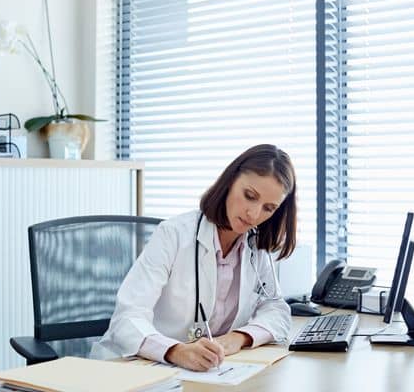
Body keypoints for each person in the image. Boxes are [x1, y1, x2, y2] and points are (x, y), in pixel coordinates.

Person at [91, 144, 297, 371]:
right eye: (249, 196)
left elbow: (276, 309)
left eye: (269, 208)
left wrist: (239, 338)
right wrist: (175, 351)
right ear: (230, 181)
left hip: (205, 373)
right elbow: (126, 319)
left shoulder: (256, 247)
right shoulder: (173, 234)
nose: (254, 214)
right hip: (132, 367)